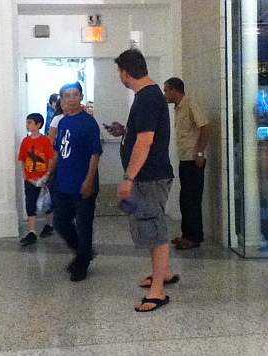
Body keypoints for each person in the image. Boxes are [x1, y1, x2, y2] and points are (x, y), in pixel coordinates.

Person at [106, 49, 178, 312]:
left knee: (154, 229)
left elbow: (146, 141)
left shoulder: (147, 97)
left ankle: (157, 291)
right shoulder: (147, 96)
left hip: (149, 178)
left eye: (119, 72)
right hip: (148, 176)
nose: (120, 77)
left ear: (125, 73)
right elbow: (143, 134)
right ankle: (165, 272)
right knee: (150, 226)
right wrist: (125, 132)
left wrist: (128, 178)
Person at [51, 82, 102, 282]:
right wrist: (50, 171)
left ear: (80, 97)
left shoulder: (88, 123)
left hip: (83, 185)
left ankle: (82, 263)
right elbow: (57, 151)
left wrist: (89, 180)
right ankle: (83, 252)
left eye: (75, 95)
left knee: (83, 225)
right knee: (60, 222)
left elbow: (95, 154)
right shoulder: (62, 122)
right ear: (62, 100)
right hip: (63, 183)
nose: (71, 99)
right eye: (67, 96)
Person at [164, 77, 211, 250]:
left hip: (194, 161)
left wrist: (199, 152)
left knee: (192, 199)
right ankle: (186, 234)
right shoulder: (178, 108)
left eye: (166, 90)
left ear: (174, 90)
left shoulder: (190, 103)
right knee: (185, 199)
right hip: (184, 160)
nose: (165, 94)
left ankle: (194, 237)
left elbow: (205, 127)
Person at [18, 113, 55, 246]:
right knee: (30, 203)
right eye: (27, 122)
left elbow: (50, 158)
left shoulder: (45, 141)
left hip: (43, 178)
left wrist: (47, 174)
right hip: (30, 179)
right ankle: (31, 231)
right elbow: (22, 159)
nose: (27, 125)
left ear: (38, 125)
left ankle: (49, 224)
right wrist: (25, 175)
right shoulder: (25, 141)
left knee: (46, 202)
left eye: (30, 122)